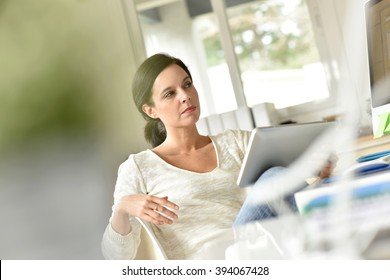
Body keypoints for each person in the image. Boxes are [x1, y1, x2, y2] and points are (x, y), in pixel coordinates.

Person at [101, 53, 333, 260]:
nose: (185, 96)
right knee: (275, 177)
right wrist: (122, 208)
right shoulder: (138, 167)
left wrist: (313, 168)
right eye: (170, 93)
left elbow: (290, 195)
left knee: (284, 180)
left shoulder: (235, 143)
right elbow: (115, 257)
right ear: (150, 110)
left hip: (256, 252)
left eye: (187, 85)